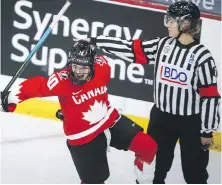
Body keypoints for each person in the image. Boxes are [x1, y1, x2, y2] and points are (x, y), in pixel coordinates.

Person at [80, 1, 221, 183]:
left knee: (195, 173)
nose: (168, 24)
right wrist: (96, 41)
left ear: (185, 24)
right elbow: (130, 49)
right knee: (155, 168)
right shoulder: (163, 45)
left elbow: (210, 97)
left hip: (191, 123)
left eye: (171, 20)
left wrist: (207, 131)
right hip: (161, 119)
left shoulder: (203, 57)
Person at [0, 40, 157, 184]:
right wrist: (9, 100)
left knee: (148, 146)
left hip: (109, 120)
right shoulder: (61, 80)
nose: (78, 72)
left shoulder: (103, 67)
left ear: (93, 65)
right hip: (82, 137)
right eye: (75, 67)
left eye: (83, 68)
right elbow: (35, 87)